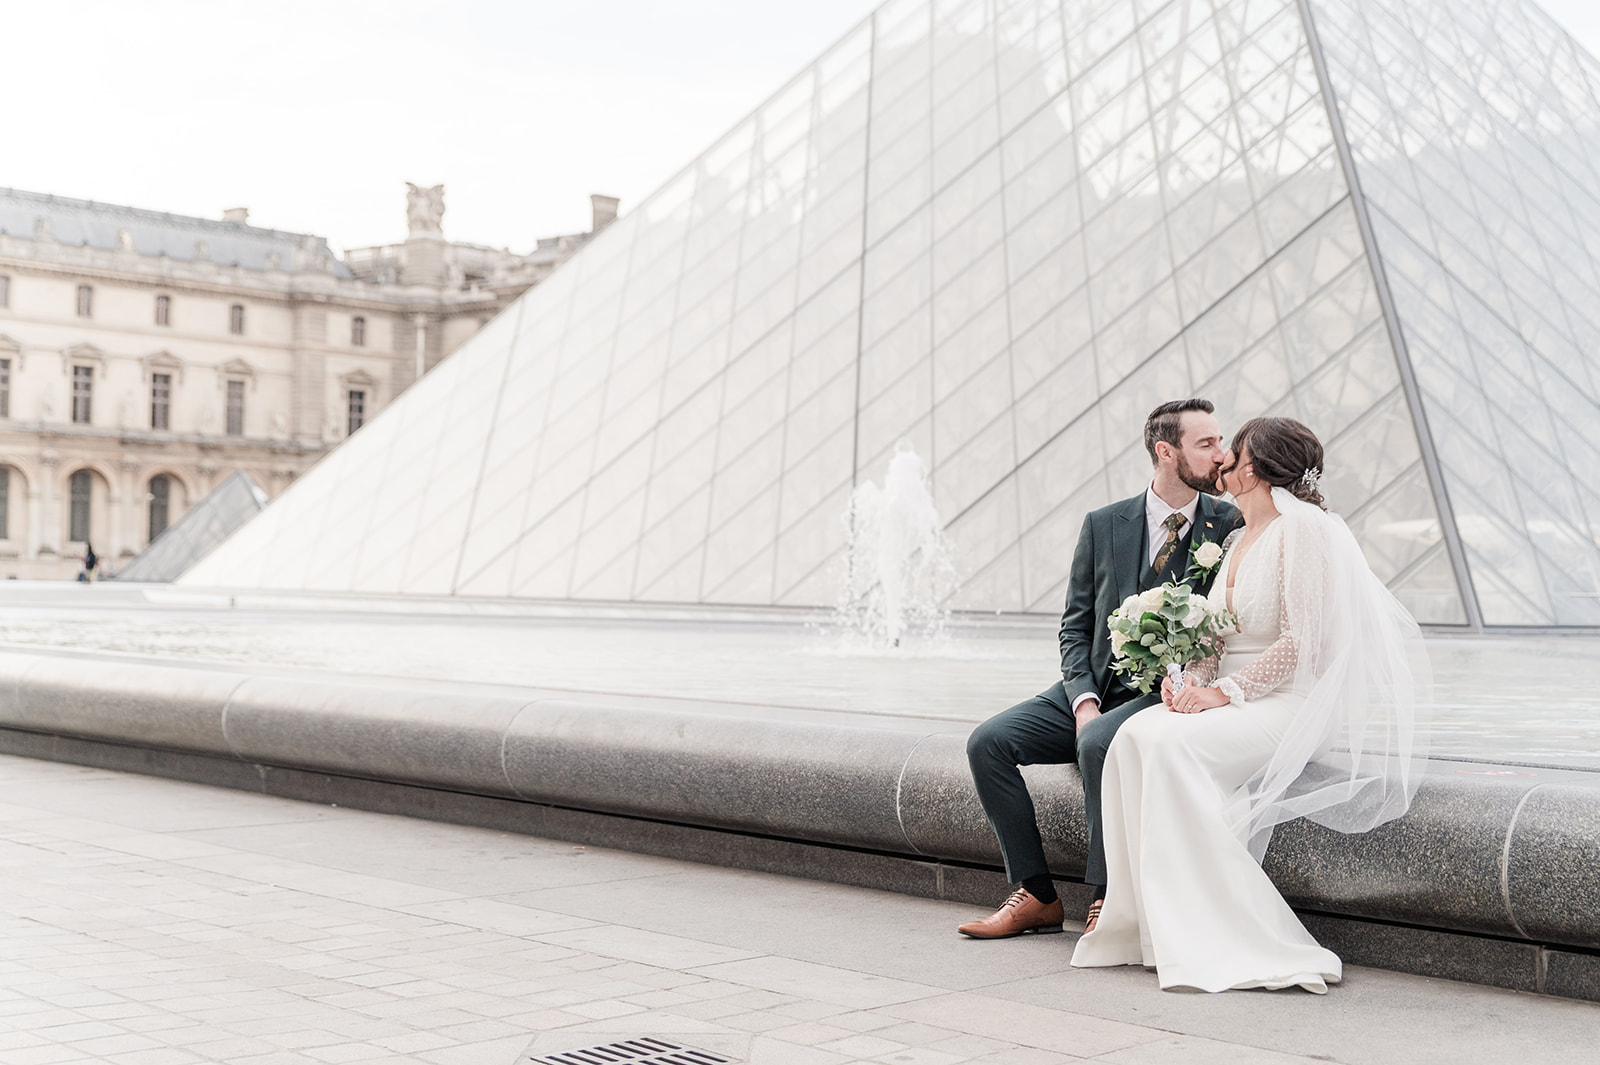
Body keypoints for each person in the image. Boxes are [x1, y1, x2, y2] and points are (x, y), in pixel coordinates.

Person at [1071, 416, 1431, 992]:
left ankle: (1216, 928)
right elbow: (1215, 636)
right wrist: (1185, 682)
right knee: (1133, 738)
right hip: (1234, 696)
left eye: (1232, 456)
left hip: (1287, 701)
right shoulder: (1238, 537)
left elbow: (1303, 641)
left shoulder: (1305, 530)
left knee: (1170, 750)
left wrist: (1223, 694)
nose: (1223, 464)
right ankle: (1144, 926)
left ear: (1255, 469)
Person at [958, 399, 1243, 938]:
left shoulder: (1228, 524)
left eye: (1219, 441)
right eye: (1206, 444)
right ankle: (1036, 895)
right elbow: (1074, 624)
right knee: (987, 742)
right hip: (1093, 683)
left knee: (1096, 744)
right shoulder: (1102, 523)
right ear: (1166, 451)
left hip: (1162, 693)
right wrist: (1082, 699)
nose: (1221, 455)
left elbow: (1230, 626)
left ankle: (1107, 895)